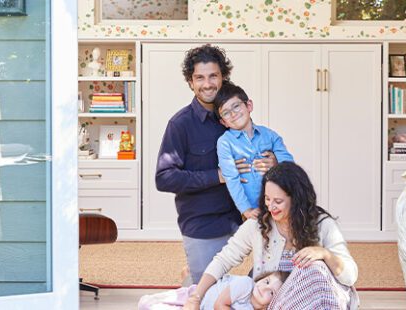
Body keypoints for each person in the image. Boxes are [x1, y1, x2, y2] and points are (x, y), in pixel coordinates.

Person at [155, 44, 277, 285]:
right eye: (199, 78)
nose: (207, 83)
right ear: (191, 82)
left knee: (273, 273)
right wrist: (218, 176)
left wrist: (273, 162)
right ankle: (192, 276)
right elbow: (164, 178)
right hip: (205, 221)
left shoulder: (234, 115)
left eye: (213, 76)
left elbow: (258, 154)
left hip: (247, 214)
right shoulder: (180, 124)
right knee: (206, 289)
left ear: (223, 77)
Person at [184, 162, 359, 310]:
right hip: (276, 304)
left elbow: (350, 275)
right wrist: (196, 297)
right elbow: (224, 259)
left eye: (278, 201)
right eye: (267, 199)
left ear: (296, 199)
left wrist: (324, 254)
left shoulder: (323, 225)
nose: (271, 206)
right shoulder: (258, 225)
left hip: (319, 299)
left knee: (315, 267)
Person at [214, 82, 294, 220]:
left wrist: (276, 163)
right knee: (255, 240)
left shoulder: (269, 135)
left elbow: (290, 166)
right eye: (226, 113)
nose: (233, 114)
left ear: (249, 106)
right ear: (223, 122)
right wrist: (246, 209)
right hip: (252, 210)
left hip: (279, 206)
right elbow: (231, 178)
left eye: (236, 106)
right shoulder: (225, 142)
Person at [138, 271, 289, 310]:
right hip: (195, 297)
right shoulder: (246, 284)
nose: (264, 288)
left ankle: (188, 275)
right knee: (146, 304)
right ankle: (188, 274)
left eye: (272, 292)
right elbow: (220, 305)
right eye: (267, 281)